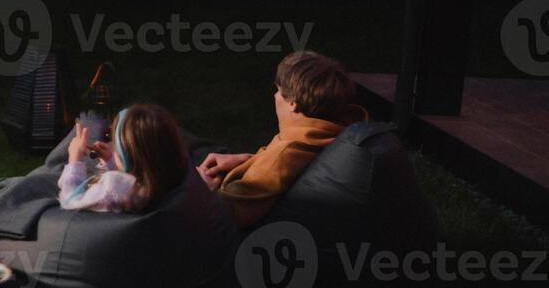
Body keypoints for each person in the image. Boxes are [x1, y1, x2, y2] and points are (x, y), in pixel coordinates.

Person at [196, 50, 367, 230]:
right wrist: (249, 160)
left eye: (278, 90)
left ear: (293, 103)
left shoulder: (285, 154)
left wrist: (199, 189)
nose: (275, 96)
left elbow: (223, 220)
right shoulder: (328, 133)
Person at [58, 103, 190, 213]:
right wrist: (111, 160)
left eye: (115, 143)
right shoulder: (168, 178)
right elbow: (137, 173)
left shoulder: (113, 188)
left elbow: (70, 201)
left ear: (127, 158)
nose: (112, 145)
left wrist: (74, 159)